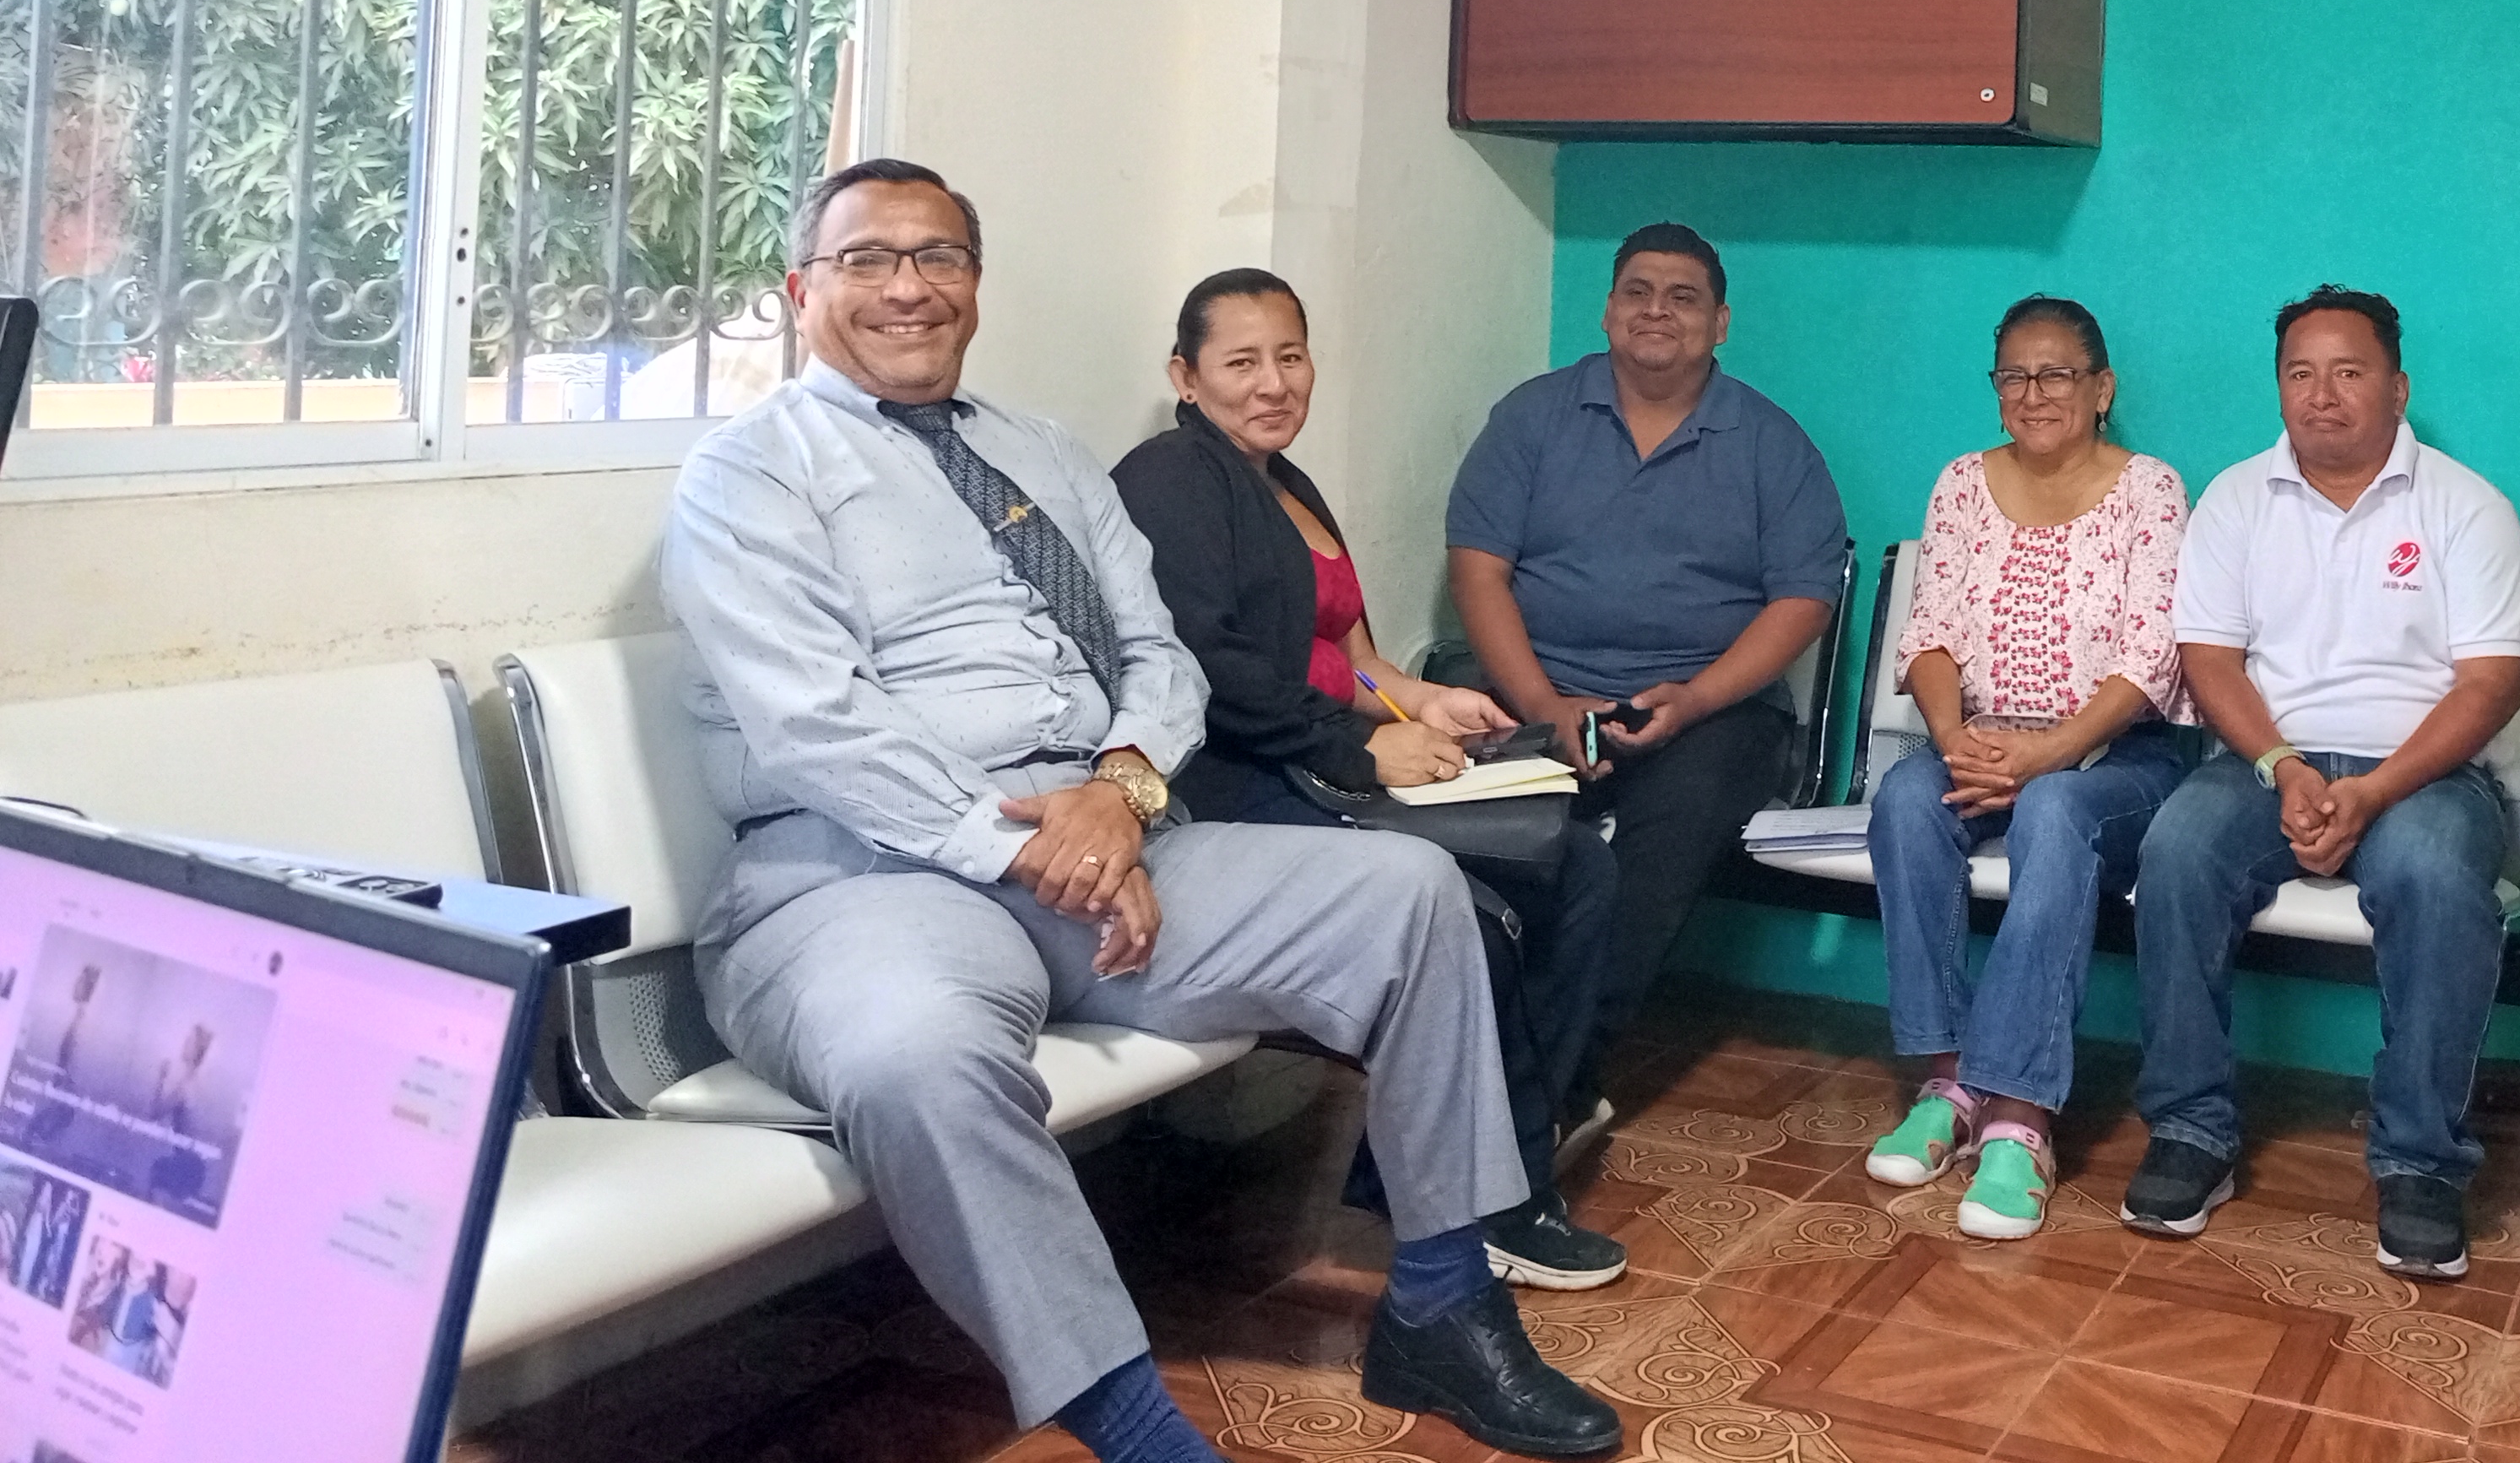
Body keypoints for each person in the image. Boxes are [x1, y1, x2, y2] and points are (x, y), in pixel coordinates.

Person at [665, 159, 1618, 1463]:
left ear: (976, 284)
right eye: (867, 259)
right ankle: (1132, 1426)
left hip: (1106, 848)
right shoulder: (751, 473)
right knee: (915, 1058)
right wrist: (1036, 844)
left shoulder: (1045, 452)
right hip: (864, 877)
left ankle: (1445, 1307)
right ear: (799, 290)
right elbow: (817, 726)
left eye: (938, 257)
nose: (907, 287)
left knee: (1411, 896)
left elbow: (1158, 653)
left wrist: (1118, 796)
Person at [1112, 268, 1625, 1292]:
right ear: (1185, 375)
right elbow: (1205, 665)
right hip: (1238, 777)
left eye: (1289, 356)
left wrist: (1420, 705)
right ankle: (1478, 1201)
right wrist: (1357, 752)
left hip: (1317, 753)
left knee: (1579, 868)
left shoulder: (1286, 482)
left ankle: (1486, 1155)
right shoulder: (1169, 478)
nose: (1272, 383)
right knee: (1473, 912)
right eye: (1241, 362)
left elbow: (1347, 656)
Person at [2121, 285, 2520, 1279]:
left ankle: (2420, 1163)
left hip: (2425, 773)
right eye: (2299, 374)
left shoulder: (2466, 507)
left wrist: (2374, 790)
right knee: (2176, 848)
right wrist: (2282, 766)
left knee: (2433, 877)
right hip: (2268, 761)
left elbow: (2489, 684)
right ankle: (2189, 1129)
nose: (2321, 395)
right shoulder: (2235, 500)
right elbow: (2209, 660)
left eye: (2347, 372)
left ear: (2397, 388)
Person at [1441, 222, 1847, 1085]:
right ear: (1607, 311)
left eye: (1683, 296)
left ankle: (1549, 1085)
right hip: (1534, 691)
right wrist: (1544, 708)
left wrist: (1694, 699)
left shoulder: (1770, 442)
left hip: (1711, 713)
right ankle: (1460, 1052)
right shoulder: (1532, 418)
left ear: (1720, 323)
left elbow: (1804, 601)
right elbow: (1477, 572)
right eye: (1638, 291)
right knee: (1469, 823)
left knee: (1659, 849)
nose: (1657, 309)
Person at [1861, 295, 2192, 1239]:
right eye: (2014, 375)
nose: (2034, 393)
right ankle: (1949, 1082)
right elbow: (1928, 634)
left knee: (2053, 813)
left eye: (2056, 374)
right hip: (1982, 741)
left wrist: (2049, 755)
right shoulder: (1963, 483)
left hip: (2118, 760)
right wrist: (1953, 737)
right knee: (1904, 802)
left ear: (2101, 388)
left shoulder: (2151, 490)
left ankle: (2020, 1114)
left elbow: (2152, 658)